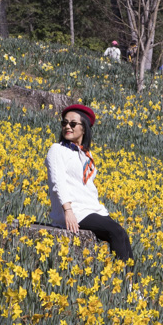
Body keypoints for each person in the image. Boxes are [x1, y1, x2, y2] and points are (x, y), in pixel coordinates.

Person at [46, 104, 133, 262]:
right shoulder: (56, 150)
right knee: (116, 232)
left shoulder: (86, 155)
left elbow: (86, 187)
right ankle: (124, 283)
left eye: (73, 124)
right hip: (74, 211)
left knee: (122, 234)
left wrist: (100, 210)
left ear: (84, 128)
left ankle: (131, 284)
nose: (67, 127)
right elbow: (57, 182)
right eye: (64, 123)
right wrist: (68, 210)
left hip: (91, 209)